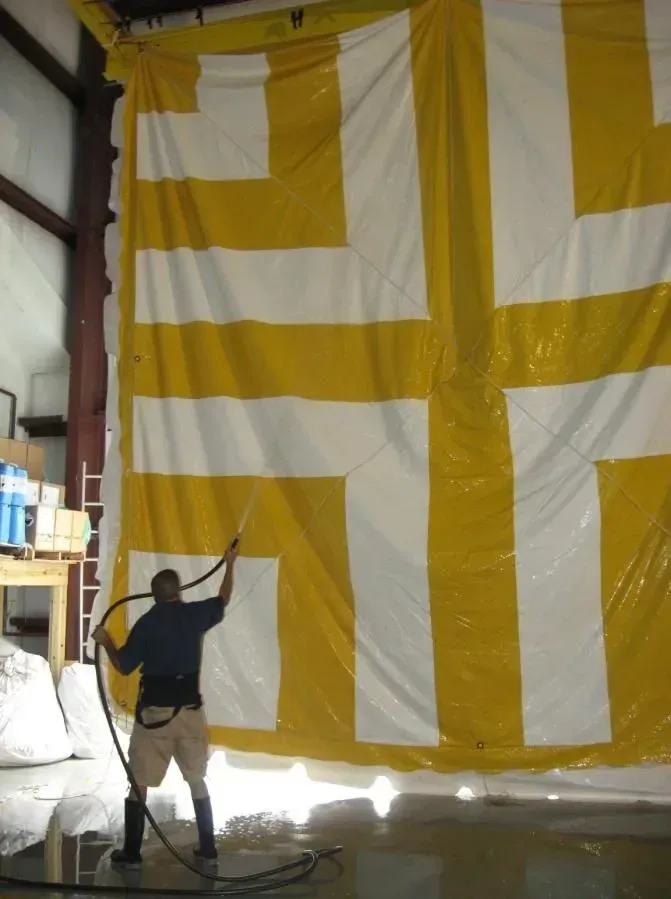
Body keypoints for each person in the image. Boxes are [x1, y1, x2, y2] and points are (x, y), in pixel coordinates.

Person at [92, 539, 239, 870]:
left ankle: (131, 854)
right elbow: (223, 597)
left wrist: (107, 641)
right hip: (189, 715)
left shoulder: (146, 624)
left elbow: (124, 665)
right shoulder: (193, 614)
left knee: (139, 782)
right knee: (196, 779)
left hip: (155, 719)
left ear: (155, 595)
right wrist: (229, 563)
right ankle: (208, 849)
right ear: (179, 592)